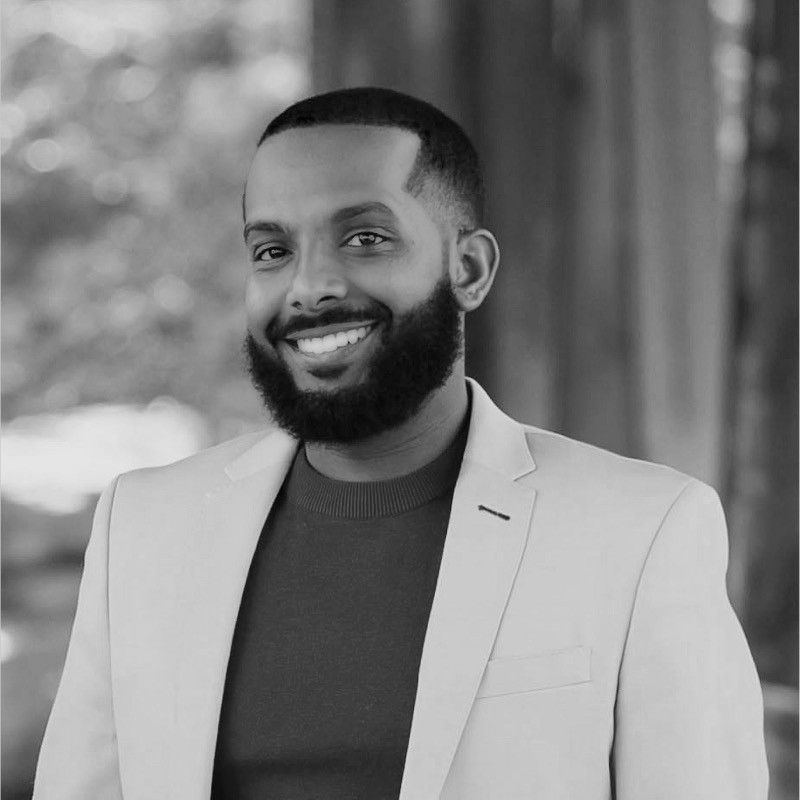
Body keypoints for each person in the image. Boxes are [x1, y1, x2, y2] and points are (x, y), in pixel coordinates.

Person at [34, 87, 768, 800]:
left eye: (365, 238)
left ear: (469, 269)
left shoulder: (644, 530)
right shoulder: (142, 526)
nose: (310, 285)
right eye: (272, 250)